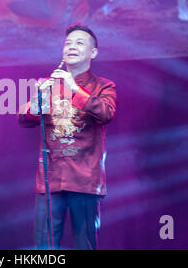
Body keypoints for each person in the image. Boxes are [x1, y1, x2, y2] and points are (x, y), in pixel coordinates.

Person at [18, 23, 117, 250]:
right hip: (49, 180)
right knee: (44, 246)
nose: (71, 47)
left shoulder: (104, 86)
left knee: (85, 244)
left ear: (93, 53)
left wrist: (74, 88)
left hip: (84, 180)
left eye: (79, 43)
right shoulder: (47, 84)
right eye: (68, 43)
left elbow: (106, 113)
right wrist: (35, 104)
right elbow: (24, 119)